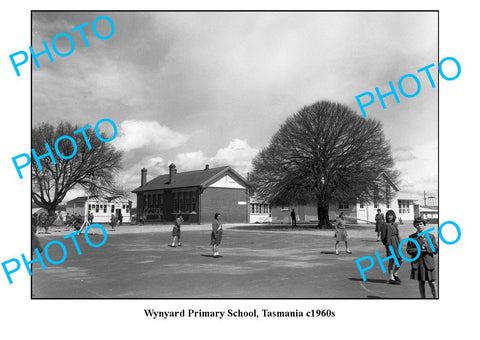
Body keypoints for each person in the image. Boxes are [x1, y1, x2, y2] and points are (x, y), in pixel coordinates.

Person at [406, 216, 438, 298]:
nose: (419, 226)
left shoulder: (430, 236)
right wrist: (418, 250)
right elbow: (409, 250)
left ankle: (436, 298)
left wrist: (427, 247)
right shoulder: (412, 237)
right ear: (415, 226)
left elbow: (435, 249)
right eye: (417, 224)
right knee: (421, 282)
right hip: (418, 263)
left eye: (421, 224)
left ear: (424, 225)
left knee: (432, 283)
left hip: (429, 263)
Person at [380, 210, 403, 285]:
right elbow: (383, 237)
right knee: (392, 260)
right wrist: (387, 245)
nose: (390, 217)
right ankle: (391, 278)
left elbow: (397, 235)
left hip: (396, 242)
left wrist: (399, 243)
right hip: (390, 243)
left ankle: (395, 273)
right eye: (388, 215)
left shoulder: (395, 224)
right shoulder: (384, 224)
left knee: (401, 260)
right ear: (386, 216)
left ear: (394, 216)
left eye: (391, 215)